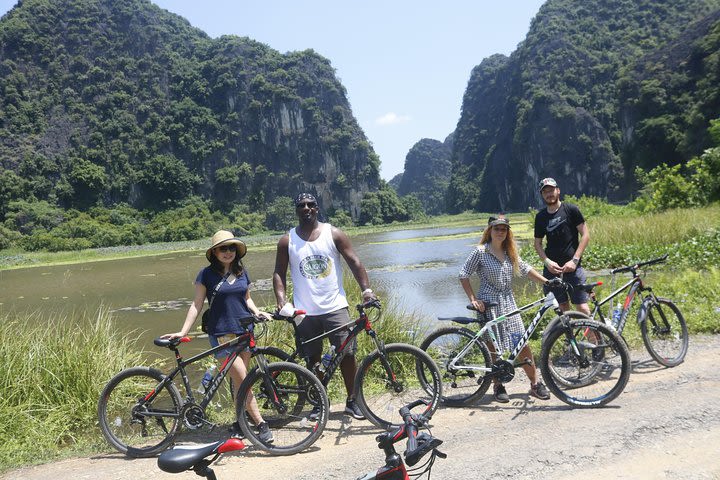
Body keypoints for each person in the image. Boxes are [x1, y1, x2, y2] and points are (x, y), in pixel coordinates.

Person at [162, 230, 273, 442]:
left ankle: (241, 423)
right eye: (223, 248)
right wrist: (183, 331)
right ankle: (261, 424)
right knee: (245, 379)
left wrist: (256, 311)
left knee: (239, 382)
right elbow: (196, 304)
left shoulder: (241, 272)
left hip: (244, 331)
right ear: (214, 252)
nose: (228, 252)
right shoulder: (206, 275)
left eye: (232, 248)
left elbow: (247, 298)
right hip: (222, 333)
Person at [273, 193, 377, 420]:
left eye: (311, 205)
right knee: (313, 359)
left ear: (317, 208)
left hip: (335, 307)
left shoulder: (334, 233)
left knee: (347, 354)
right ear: (296, 210)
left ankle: (352, 400)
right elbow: (279, 272)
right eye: (301, 205)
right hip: (304, 311)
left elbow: (354, 262)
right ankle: (321, 402)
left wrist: (366, 290)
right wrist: (281, 301)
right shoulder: (287, 240)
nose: (306, 208)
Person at [459, 215, 551, 403]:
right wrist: (473, 299)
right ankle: (498, 385)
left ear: (507, 232)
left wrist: (547, 282)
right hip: (488, 303)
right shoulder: (480, 251)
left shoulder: (510, 252)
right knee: (493, 347)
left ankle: (535, 383)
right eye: (496, 228)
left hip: (509, 301)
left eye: (504, 229)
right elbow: (463, 274)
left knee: (521, 341)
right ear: (489, 231)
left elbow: (525, 269)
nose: (500, 232)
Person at [533, 177, 591, 316]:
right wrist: (547, 262)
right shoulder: (540, 217)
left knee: (582, 308)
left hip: (573, 268)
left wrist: (575, 260)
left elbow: (585, 235)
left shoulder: (571, 209)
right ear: (542, 195)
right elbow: (537, 244)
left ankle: (596, 338)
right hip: (552, 271)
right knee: (563, 308)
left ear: (558, 191)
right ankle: (571, 338)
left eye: (551, 190)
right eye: (545, 191)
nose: (549, 194)